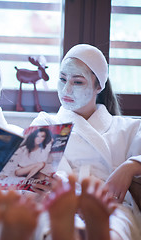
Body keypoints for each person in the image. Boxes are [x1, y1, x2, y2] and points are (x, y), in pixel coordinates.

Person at [30, 43, 141, 239]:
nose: (66, 89)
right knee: (53, 228)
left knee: (113, 230)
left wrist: (131, 166)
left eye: (77, 82)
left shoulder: (127, 128)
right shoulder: (46, 123)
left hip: (110, 209)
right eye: (62, 79)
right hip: (59, 203)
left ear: (99, 85)